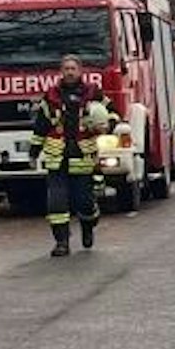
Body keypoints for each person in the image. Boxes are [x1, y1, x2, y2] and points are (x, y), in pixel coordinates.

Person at [30, 55, 110, 256]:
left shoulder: (93, 93)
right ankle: (61, 243)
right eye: (66, 68)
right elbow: (41, 126)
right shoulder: (51, 97)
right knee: (56, 202)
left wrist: (107, 126)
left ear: (80, 71)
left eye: (73, 68)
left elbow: (114, 114)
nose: (70, 72)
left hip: (82, 157)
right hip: (57, 157)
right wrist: (33, 152)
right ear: (61, 71)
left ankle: (88, 225)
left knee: (84, 201)